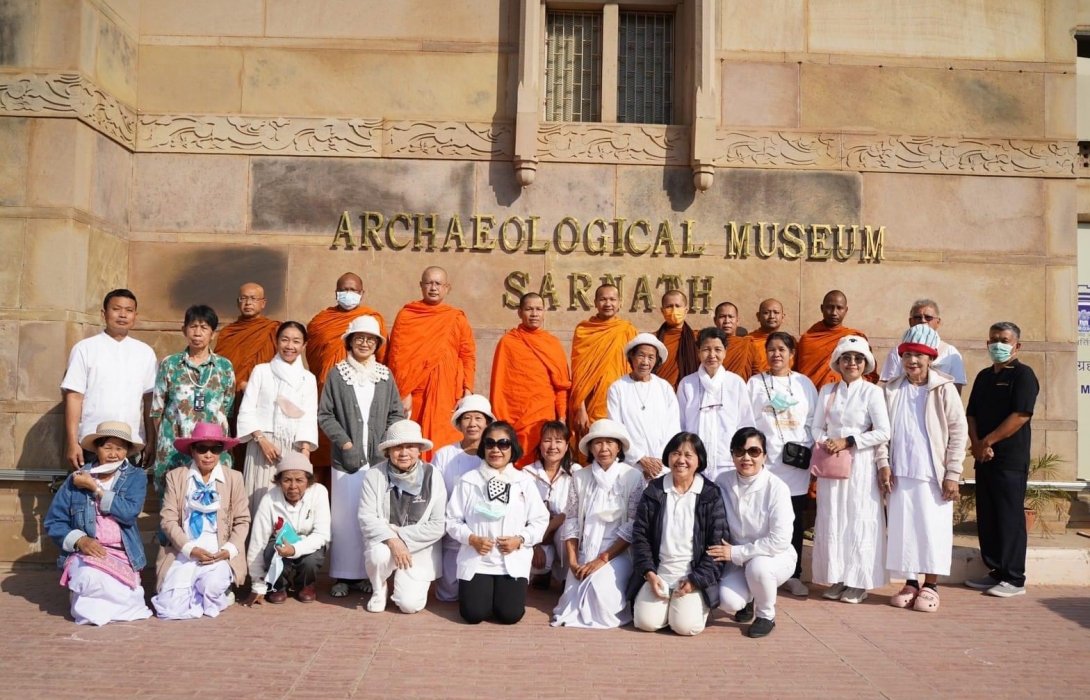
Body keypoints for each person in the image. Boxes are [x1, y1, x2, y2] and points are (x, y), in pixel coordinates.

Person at [877, 325, 967, 612]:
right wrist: (883, 464)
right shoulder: (891, 389)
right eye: (907, 355)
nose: (912, 361)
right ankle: (910, 582)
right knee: (904, 531)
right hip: (900, 473)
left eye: (918, 355)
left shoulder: (943, 388)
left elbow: (958, 431)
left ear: (930, 358)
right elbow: (881, 432)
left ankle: (931, 584)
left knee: (932, 531)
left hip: (933, 476)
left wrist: (953, 473)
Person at [317, 315, 404, 598]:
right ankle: (343, 575)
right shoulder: (337, 374)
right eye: (359, 339)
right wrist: (344, 443)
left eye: (370, 339)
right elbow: (325, 414)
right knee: (345, 519)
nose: (364, 343)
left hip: (377, 460)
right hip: (346, 461)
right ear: (350, 342)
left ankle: (370, 574)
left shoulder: (385, 375)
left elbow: (395, 413)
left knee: (372, 517)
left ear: (377, 344)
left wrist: (387, 444)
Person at [43, 421, 153, 625]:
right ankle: (84, 601)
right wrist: (80, 540)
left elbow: (129, 513)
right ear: (97, 449)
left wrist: (95, 488)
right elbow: (54, 521)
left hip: (123, 552)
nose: (113, 454)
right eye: (107, 447)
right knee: (88, 580)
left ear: (128, 451)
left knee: (131, 596)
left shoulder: (135, 477)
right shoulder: (76, 479)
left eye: (120, 448)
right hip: (88, 552)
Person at [808, 336, 891, 605]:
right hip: (832, 466)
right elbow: (817, 427)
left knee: (859, 519)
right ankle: (839, 577)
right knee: (833, 518)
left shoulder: (872, 392)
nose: (852, 363)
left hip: (861, 468)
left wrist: (850, 441)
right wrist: (827, 443)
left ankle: (859, 581)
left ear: (865, 363)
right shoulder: (827, 392)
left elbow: (883, 431)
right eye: (846, 358)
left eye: (857, 358)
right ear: (838, 362)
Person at [447, 421, 548, 624]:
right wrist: (471, 538)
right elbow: (451, 520)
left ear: (513, 448)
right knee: (473, 614)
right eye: (490, 444)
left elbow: (540, 520)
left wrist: (520, 540)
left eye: (503, 444)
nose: (496, 450)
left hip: (511, 559)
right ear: (483, 447)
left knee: (509, 615)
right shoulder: (469, 480)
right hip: (477, 560)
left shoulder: (524, 482)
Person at [964, 321, 1039, 598]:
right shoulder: (983, 376)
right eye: (994, 339)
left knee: (1009, 517)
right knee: (988, 516)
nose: (998, 344)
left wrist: (989, 441)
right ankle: (995, 571)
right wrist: (976, 443)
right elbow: (971, 413)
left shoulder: (1023, 375)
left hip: (1009, 459)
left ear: (1016, 345)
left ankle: (1014, 578)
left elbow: (1021, 415)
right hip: (984, 457)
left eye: (1004, 340)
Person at [629, 432, 727, 636]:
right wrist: (649, 573)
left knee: (685, 627)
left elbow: (717, 545)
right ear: (668, 457)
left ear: (699, 460)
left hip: (692, 577)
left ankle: (686, 606)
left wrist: (695, 580)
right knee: (645, 622)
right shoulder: (654, 491)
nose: (681, 460)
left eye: (688, 455)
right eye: (675, 453)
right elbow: (640, 536)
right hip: (659, 574)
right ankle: (666, 607)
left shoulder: (710, 494)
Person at [551, 419, 645, 629]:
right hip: (586, 551)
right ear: (590, 448)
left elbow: (632, 525)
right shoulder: (580, 476)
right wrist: (574, 562)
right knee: (572, 600)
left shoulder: (633, 476)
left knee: (597, 593)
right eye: (598, 443)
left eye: (609, 442)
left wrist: (602, 559)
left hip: (619, 553)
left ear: (618, 446)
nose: (604, 449)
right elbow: (573, 519)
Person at [152, 423, 250, 620]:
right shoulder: (176, 477)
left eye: (215, 449)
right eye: (202, 448)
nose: (208, 455)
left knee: (210, 587)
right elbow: (168, 519)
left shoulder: (234, 478)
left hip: (218, 549)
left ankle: (219, 591)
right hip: (185, 549)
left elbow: (242, 520)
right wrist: (189, 549)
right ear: (192, 450)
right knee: (169, 608)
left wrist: (228, 550)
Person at [747, 330, 818, 596]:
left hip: (794, 464)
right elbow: (748, 420)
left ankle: (794, 573)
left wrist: (805, 446)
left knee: (794, 520)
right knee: (762, 518)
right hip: (764, 463)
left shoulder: (804, 384)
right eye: (772, 349)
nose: (776, 354)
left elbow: (813, 420)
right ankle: (760, 571)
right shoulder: (755, 383)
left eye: (782, 350)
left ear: (792, 354)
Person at [710, 428, 797, 638]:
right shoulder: (723, 481)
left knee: (758, 567)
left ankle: (766, 615)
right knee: (729, 601)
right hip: (737, 559)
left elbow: (780, 539)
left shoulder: (777, 488)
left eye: (754, 452)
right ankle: (748, 600)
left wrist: (738, 553)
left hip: (774, 557)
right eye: (739, 452)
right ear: (732, 455)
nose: (746, 458)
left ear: (765, 455)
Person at [306, 272, 388, 485]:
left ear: (362, 293)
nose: (348, 294)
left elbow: (379, 359)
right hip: (329, 396)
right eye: (344, 290)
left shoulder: (372, 320)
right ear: (336, 292)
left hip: (365, 397)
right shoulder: (320, 322)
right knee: (323, 461)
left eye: (353, 290)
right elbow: (315, 360)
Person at [61, 289, 157, 469]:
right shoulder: (85, 349)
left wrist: (152, 441)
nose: (122, 315)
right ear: (104, 313)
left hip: (131, 443)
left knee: (125, 496)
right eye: (116, 309)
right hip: (91, 444)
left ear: (135, 315)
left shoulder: (145, 352)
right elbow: (74, 397)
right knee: (86, 495)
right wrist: (72, 442)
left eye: (129, 310)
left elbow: (150, 400)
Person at [359, 420, 447, 613]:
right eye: (397, 447)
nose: (404, 453)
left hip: (418, 545)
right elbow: (367, 517)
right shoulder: (374, 474)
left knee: (409, 606)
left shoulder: (434, 476)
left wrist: (399, 536)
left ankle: (402, 582)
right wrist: (392, 540)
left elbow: (438, 525)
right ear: (388, 451)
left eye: (410, 447)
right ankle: (378, 587)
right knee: (378, 555)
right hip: (386, 543)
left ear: (419, 450)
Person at [386, 266, 476, 455]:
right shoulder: (407, 315)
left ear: (447, 288)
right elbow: (397, 356)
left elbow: (467, 355)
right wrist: (404, 391)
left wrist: (467, 391)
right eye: (429, 283)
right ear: (421, 285)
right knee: (413, 441)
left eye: (438, 284)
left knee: (445, 443)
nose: (433, 288)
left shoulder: (456, 318)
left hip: (447, 392)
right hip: (415, 393)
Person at [149, 304, 235, 495]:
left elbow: (227, 406)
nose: (198, 333)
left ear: (212, 334)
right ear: (184, 330)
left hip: (210, 450)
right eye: (193, 326)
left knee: (210, 499)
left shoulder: (224, 366)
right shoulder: (170, 364)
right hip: (174, 446)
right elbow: (157, 408)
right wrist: (166, 439)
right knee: (173, 499)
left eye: (204, 328)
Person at [236, 321, 318, 515]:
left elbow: (309, 416)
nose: (290, 346)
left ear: (304, 346)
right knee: (260, 499)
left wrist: (304, 452)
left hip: (294, 447)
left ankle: (287, 545)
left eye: (296, 341)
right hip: (262, 447)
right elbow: (247, 409)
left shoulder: (308, 378)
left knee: (288, 503)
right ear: (276, 341)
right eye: (285, 340)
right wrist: (261, 440)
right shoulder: (261, 371)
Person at [489, 292, 571, 467]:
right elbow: (499, 384)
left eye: (539, 309)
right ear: (520, 312)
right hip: (515, 414)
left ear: (544, 312)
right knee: (516, 461)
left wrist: (562, 416)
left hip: (543, 414)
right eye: (529, 309)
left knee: (542, 461)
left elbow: (561, 385)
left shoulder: (552, 343)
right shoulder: (508, 343)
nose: (534, 314)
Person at [243, 451, 330, 605]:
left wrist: (295, 549)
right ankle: (277, 586)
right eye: (287, 480)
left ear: (308, 481)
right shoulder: (269, 498)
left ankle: (306, 585)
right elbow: (258, 541)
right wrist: (258, 584)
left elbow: (322, 534)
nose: (293, 486)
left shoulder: (319, 492)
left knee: (312, 558)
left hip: (308, 541)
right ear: (279, 481)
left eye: (299, 480)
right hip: (279, 543)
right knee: (270, 551)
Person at [433, 394, 496, 602]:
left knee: (476, 597)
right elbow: (434, 493)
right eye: (467, 418)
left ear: (487, 422)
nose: (473, 424)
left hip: (483, 537)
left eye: (478, 418)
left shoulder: (495, 454)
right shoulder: (444, 455)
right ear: (459, 423)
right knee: (448, 595)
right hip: (451, 536)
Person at [568, 284, 638, 458]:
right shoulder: (584, 330)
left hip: (620, 401)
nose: (608, 303)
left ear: (620, 303)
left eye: (613, 299)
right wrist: (580, 408)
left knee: (617, 449)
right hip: (592, 404)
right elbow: (579, 372)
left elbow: (634, 369)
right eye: (603, 299)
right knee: (591, 449)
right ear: (595, 302)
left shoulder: (627, 330)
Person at [678, 327, 756, 481]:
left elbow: (746, 425)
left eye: (717, 349)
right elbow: (680, 425)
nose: (712, 355)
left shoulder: (735, 383)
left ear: (725, 351)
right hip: (694, 463)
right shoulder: (687, 384)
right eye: (706, 349)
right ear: (698, 351)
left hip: (728, 463)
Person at [607, 333, 681, 480]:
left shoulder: (664, 387)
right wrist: (641, 460)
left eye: (651, 357)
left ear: (656, 361)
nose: (645, 362)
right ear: (631, 357)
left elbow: (673, 427)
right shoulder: (617, 388)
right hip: (630, 468)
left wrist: (658, 462)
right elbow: (617, 430)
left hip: (662, 466)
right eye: (641, 355)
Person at [525, 421, 579, 588]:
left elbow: (569, 512)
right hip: (534, 531)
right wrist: (536, 545)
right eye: (547, 440)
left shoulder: (576, 472)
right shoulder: (526, 473)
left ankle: (566, 580)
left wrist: (548, 530)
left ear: (566, 445)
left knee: (567, 531)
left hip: (559, 529)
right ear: (540, 444)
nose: (553, 446)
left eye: (559, 441)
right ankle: (543, 573)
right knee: (537, 566)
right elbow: (521, 514)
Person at [879, 299, 967, 393]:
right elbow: (888, 388)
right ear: (910, 321)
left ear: (938, 322)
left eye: (928, 317)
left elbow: (956, 392)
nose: (923, 320)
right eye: (917, 317)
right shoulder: (897, 352)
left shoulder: (950, 352)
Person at [795, 290, 875, 389]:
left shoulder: (855, 338)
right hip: (810, 395)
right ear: (822, 308)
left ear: (846, 310)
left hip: (845, 393)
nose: (834, 312)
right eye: (829, 307)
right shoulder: (808, 338)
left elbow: (868, 371)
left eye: (839, 308)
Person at [214, 282, 279, 397]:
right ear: (238, 303)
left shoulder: (274, 330)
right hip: (231, 393)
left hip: (263, 393)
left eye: (253, 299)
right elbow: (218, 367)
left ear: (263, 303)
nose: (248, 303)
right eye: (243, 298)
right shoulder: (228, 332)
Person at [653, 290, 698, 389]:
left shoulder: (697, 338)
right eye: (669, 306)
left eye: (678, 306)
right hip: (659, 393)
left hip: (688, 394)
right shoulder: (653, 339)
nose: (674, 310)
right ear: (662, 310)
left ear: (686, 310)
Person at [714, 301, 761, 381]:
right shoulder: (708, 344)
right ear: (715, 320)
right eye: (722, 316)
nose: (727, 321)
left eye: (731, 317)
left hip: (740, 390)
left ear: (737, 320)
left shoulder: (748, 345)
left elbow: (757, 375)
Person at [749, 298, 789, 374]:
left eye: (776, 312)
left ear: (783, 317)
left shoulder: (790, 342)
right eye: (766, 312)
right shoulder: (749, 341)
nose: (771, 316)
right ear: (758, 316)